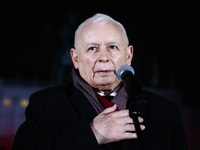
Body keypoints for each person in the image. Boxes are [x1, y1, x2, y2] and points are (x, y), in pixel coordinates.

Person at [12, 13, 188, 150]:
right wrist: (92, 133)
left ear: (129, 55)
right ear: (75, 58)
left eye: (112, 47)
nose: (103, 57)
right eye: (92, 48)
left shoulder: (165, 112)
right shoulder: (44, 104)